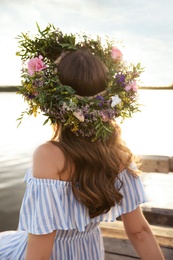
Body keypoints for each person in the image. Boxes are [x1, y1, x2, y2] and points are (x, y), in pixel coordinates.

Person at [0, 25, 164, 260]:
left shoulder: (48, 155)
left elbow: (40, 247)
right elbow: (139, 231)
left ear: (53, 99)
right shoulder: (118, 152)